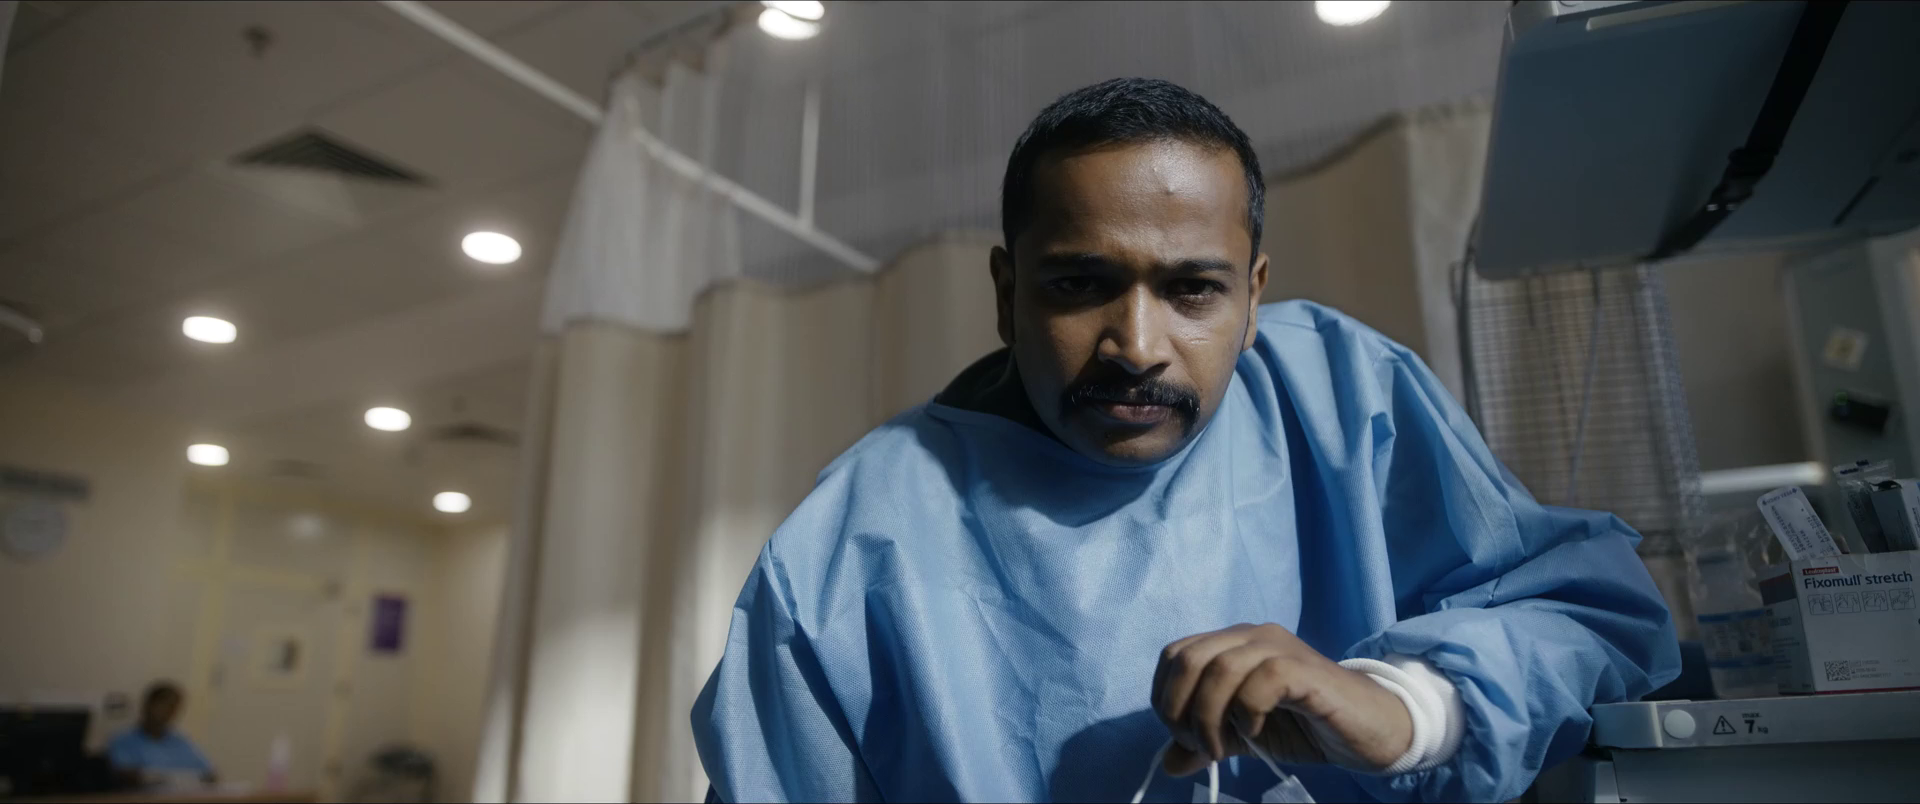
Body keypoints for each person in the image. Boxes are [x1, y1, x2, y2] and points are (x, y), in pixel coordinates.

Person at [690, 77, 1680, 802]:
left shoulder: (1342, 395)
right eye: (1079, 284)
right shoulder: (844, 550)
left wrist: (1403, 707)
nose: (1136, 345)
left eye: (1192, 289)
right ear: (1006, 291)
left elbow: (1591, 616)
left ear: (1253, 296)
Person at [106, 682, 214, 786]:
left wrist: (170, 779)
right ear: (147, 705)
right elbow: (122, 774)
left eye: (173, 707)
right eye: (163, 705)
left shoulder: (180, 741)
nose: (168, 711)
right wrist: (153, 778)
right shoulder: (123, 741)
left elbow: (209, 774)